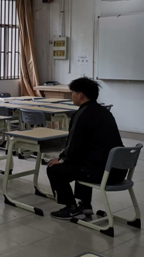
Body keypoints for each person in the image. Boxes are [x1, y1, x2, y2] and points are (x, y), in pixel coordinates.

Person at [47, 77, 126, 219]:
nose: (71, 95)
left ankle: (70, 207)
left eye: (72, 92)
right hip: (118, 171)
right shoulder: (105, 112)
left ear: (80, 95)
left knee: (54, 168)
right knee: (83, 162)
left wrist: (61, 159)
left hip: (102, 173)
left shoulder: (81, 114)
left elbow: (73, 145)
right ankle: (85, 205)